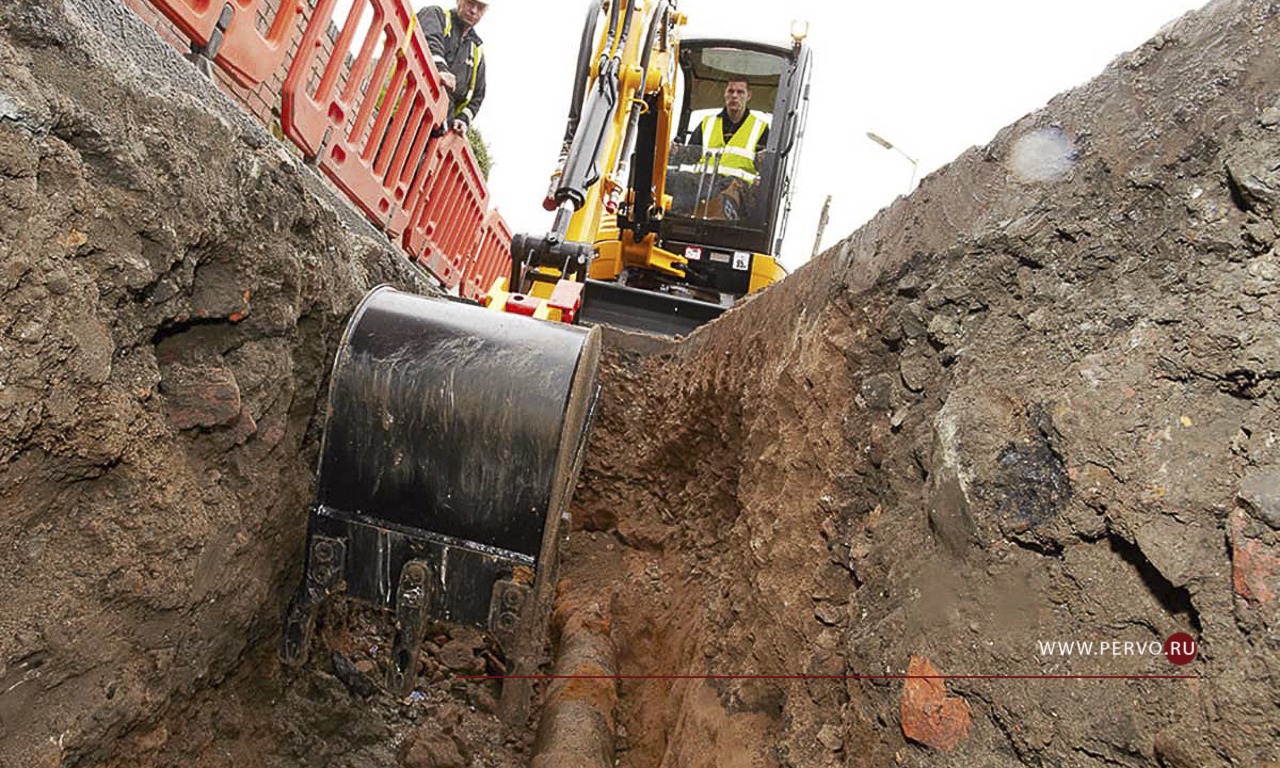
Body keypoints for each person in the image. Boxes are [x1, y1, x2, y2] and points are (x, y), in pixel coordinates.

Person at [418, 0, 489, 133]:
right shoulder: (435, 15)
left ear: (485, 11)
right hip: (399, 112)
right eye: (470, 2)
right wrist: (440, 69)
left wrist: (463, 118)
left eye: (480, 7)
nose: (473, 11)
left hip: (432, 132)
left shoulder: (476, 52)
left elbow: (478, 94)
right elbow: (429, 41)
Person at [689, 78, 770, 183]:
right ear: (725, 94)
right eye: (731, 91)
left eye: (740, 92)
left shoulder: (761, 129)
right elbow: (689, 156)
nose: (735, 96)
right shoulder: (707, 123)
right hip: (701, 189)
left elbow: (766, 169)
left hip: (739, 194)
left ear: (748, 96)